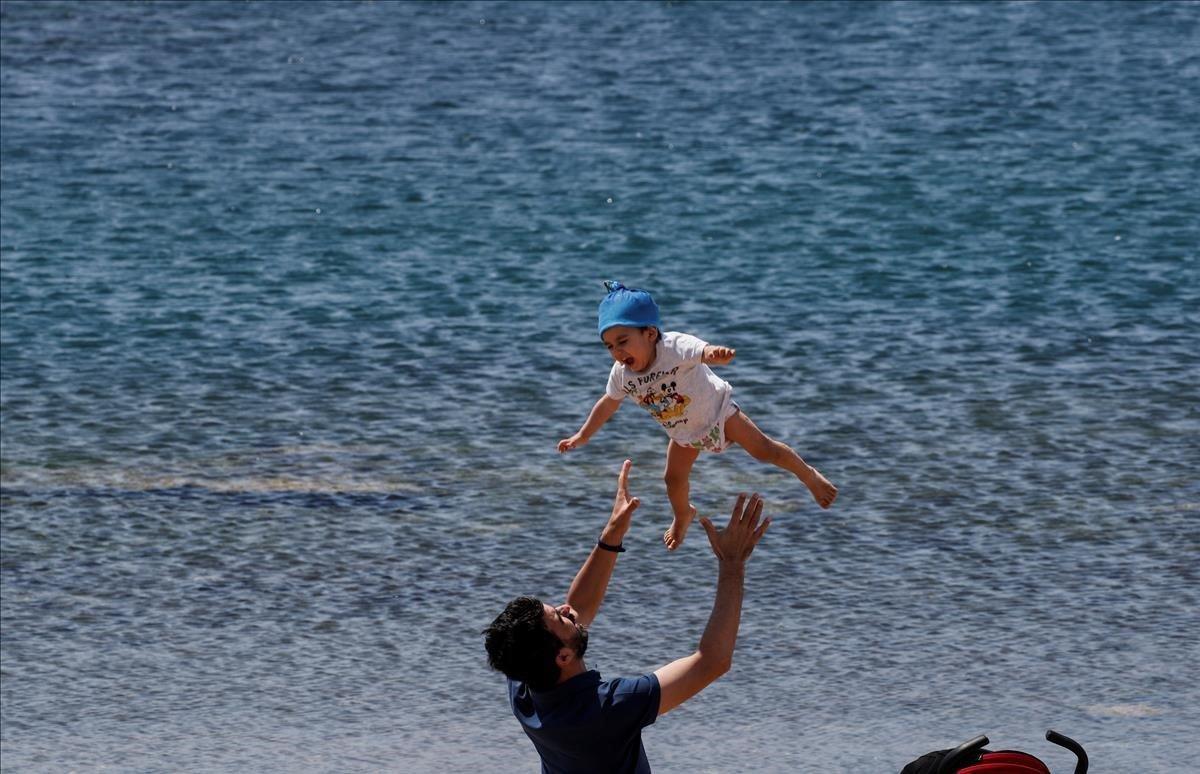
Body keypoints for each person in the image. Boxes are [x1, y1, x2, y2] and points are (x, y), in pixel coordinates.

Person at [483, 459, 770, 774]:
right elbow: (712, 661)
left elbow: (578, 610)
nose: (567, 609)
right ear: (563, 657)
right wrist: (732, 563)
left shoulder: (525, 687)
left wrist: (611, 537)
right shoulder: (609, 708)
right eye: (561, 618)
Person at [558, 280, 838, 550]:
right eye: (609, 346)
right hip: (683, 435)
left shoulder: (673, 347)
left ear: (650, 333)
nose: (617, 352)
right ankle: (683, 515)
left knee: (764, 450)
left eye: (623, 341)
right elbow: (608, 404)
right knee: (673, 480)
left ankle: (808, 475)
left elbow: (701, 351)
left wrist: (715, 354)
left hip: (719, 415)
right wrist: (582, 435)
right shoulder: (623, 376)